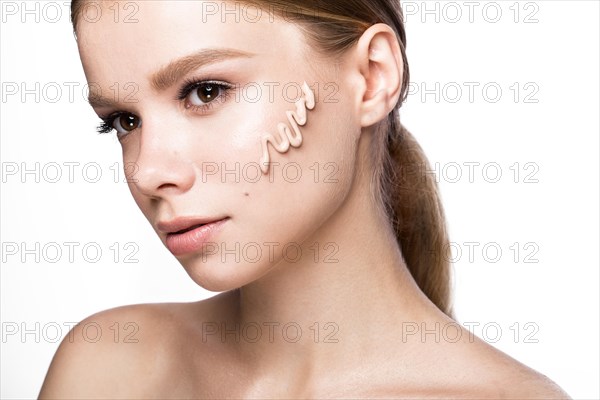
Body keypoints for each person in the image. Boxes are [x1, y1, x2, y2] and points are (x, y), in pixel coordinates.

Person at [39, 0, 570, 398]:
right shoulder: (107, 370)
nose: (148, 170)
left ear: (370, 79)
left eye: (206, 91)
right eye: (123, 122)